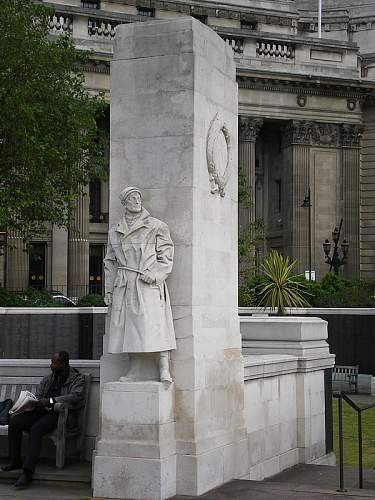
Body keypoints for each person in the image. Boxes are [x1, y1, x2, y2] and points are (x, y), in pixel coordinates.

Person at [104, 186, 176, 382]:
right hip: (124, 282)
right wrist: (109, 290)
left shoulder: (156, 226)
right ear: (124, 203)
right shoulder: (115, 231)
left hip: (146, 281)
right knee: (128, 328)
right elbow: (110, 262)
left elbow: (166, 256)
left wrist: (154, 274)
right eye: (132, 198)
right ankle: (135, 370)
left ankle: (164, 368)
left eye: (139, 197)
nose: (137, 201)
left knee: (155, 325)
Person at [1, 351, 85, 489]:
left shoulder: (77, 379)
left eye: (54, 363)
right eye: (51, 362)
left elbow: (75, 397)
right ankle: (15, 460)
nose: (51, 365)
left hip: (59, 415)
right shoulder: (48, 379)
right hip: (41, 411)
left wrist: (50, 401)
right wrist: (32, 402)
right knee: (15, 422)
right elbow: (39, 395)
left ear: (63, 364)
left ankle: (27, 472)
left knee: (36, 429)